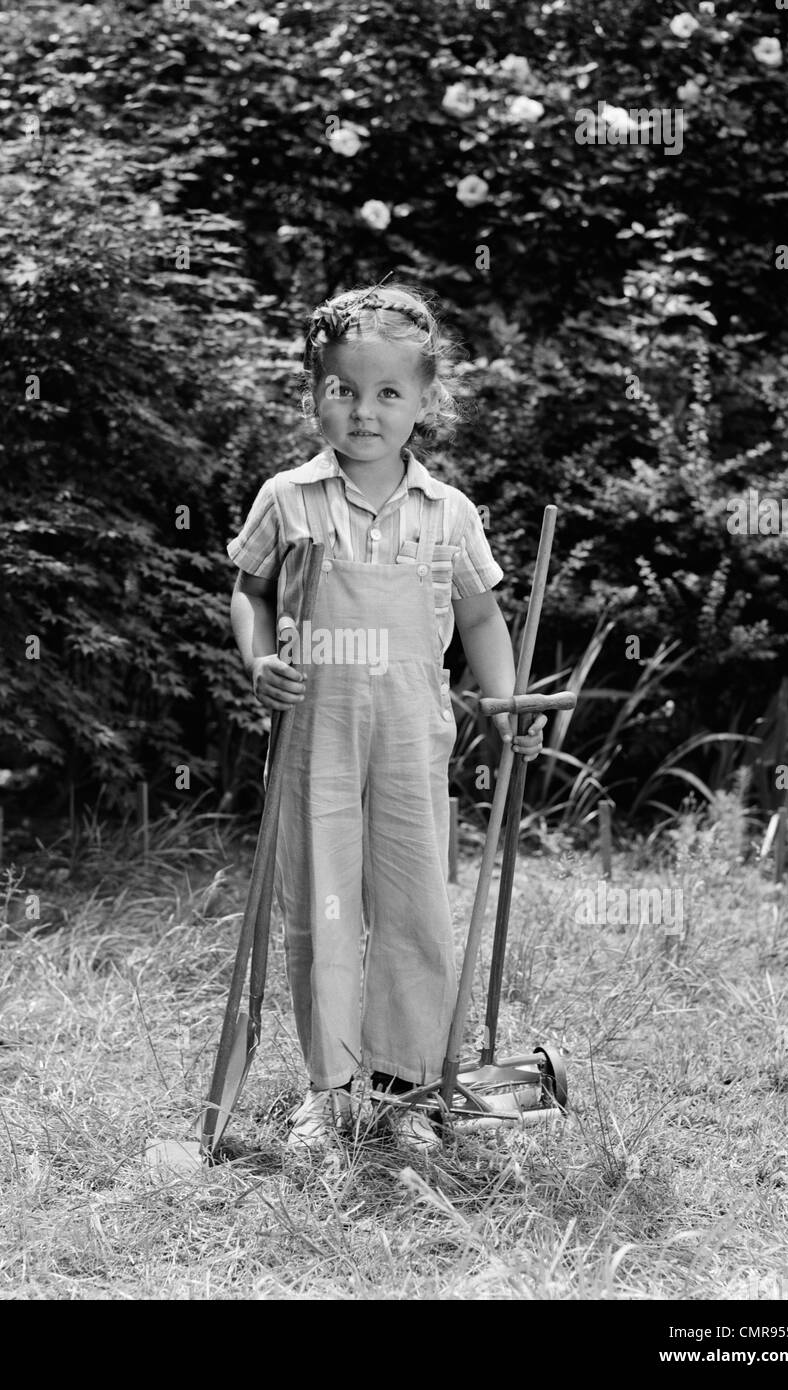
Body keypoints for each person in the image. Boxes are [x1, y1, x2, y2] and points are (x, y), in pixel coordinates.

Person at [227, 283, 546, 1153]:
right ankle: (329, 1090)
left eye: (388, 393)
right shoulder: (288, 498)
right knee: (320, 907)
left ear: (423, 403)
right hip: (312, 736)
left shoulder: (448, 513)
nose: (364, 411)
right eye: (343, 390)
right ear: (315, 394)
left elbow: (480, 617)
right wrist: (259, 661)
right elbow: (249, 591)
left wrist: (505, 701)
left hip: (412, 735)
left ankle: (405, 1091)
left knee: (414, 909)